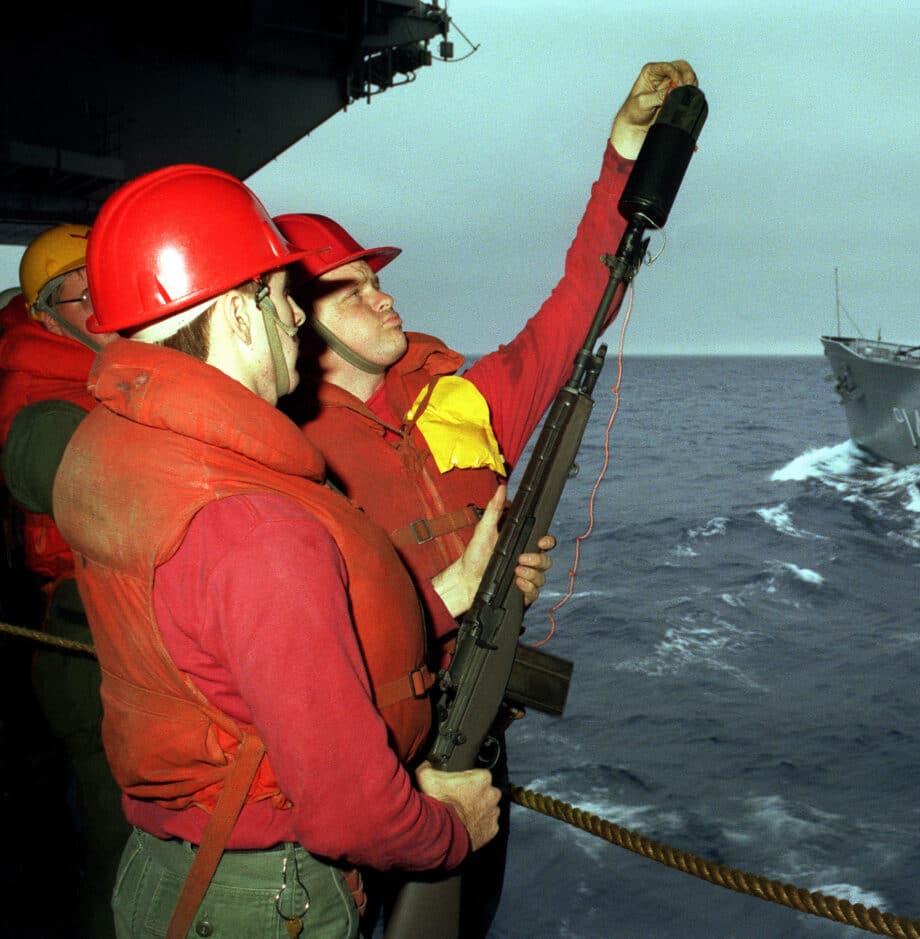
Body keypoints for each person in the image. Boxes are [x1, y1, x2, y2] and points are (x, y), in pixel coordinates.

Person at [49, 165, 547, 939]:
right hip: (263, 895)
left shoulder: (118, 445)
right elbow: (353, 809)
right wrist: (450, 825)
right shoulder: (256, 521)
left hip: (170, 863)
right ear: (238, 313)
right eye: (281, 296)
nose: (295, 322)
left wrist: (450, 591)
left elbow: (222, 650)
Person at [275, 58, 697, 937]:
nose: (384, 297)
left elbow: (585, 292)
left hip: (482, 744)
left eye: (378, 276)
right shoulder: (281, 453)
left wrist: (624, 154)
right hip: (366, 764)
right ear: (292, 319)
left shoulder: (460, 399)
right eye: (350, 291)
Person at [0, 223, 128, 938]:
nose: (97, 303)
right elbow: (60, 470)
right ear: (45, 318)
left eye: (103, 282)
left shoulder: (117, 365)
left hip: (132, 639)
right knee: (124, 856)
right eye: (72, 294)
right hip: (89, 651)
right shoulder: (36, 393)